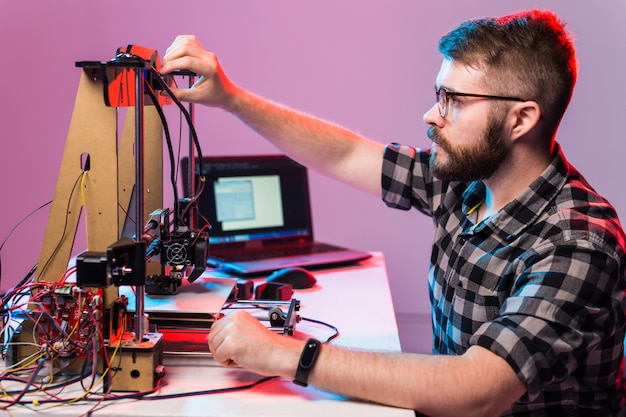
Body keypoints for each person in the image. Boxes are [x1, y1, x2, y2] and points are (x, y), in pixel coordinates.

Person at [160, 9, 626, 417]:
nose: (431, 114)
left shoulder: (579, 241)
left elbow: (479, 390)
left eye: (454, 101)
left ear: (521, 119)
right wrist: (230, 97)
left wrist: (286, 353)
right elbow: (345, 155)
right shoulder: (465, 182)